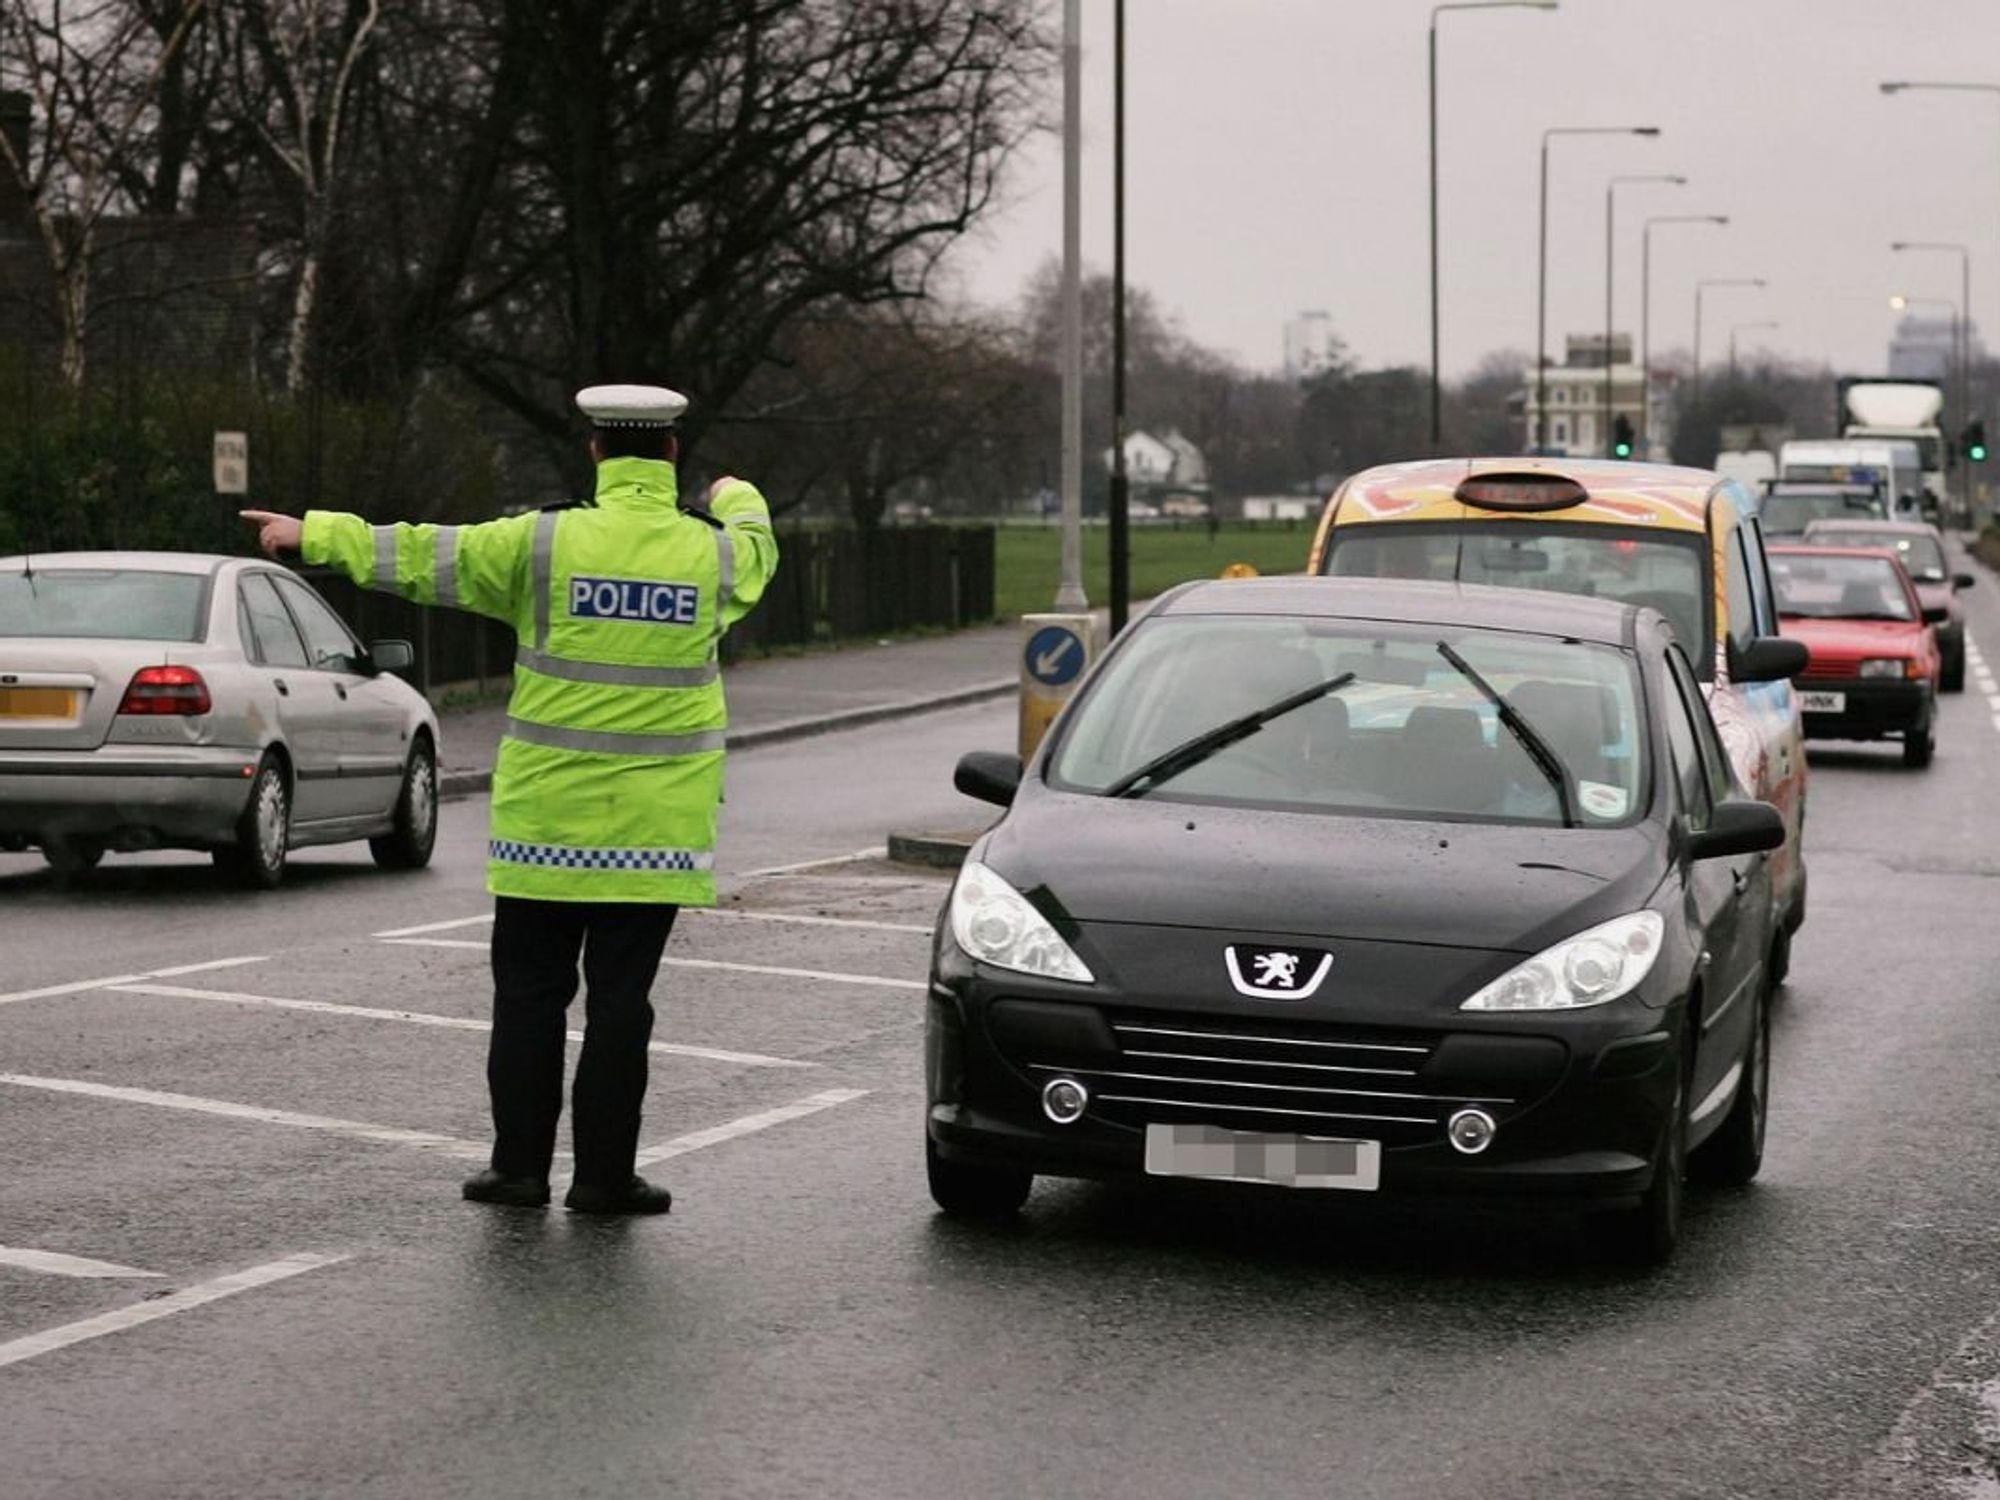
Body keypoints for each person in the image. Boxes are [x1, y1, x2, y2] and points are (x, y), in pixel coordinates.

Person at [241, 384, 778, 1214]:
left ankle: (519, 1170)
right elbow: (758, 542)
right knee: (621, 1006)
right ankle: (603, 1179)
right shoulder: (713, 556)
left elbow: (422, 554)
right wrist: (734, 493)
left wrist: (316, 533)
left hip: (545, 830)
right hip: (656, 834)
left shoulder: (541, 543)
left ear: (595, 454)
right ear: (670, 455)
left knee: (529, 998)